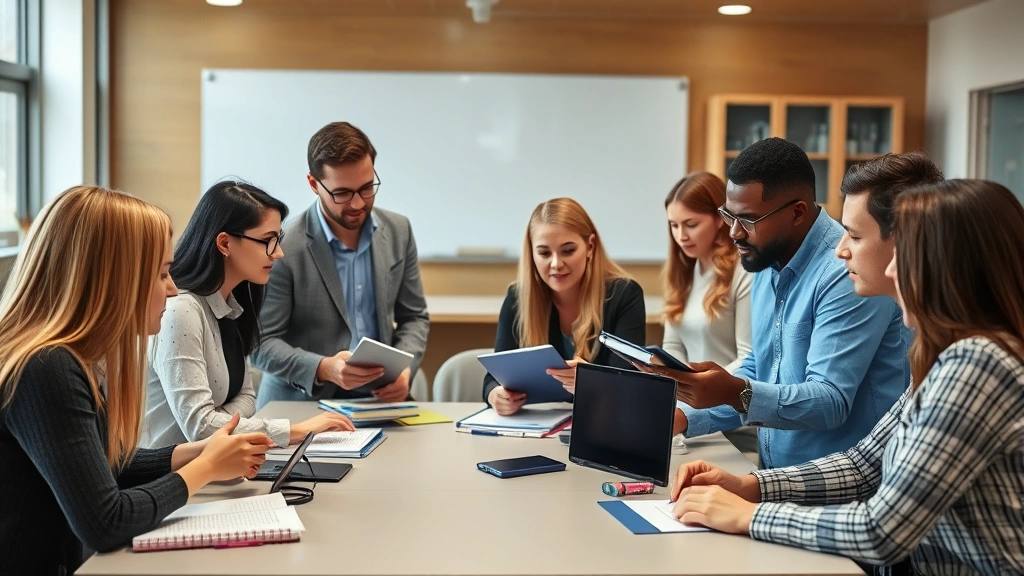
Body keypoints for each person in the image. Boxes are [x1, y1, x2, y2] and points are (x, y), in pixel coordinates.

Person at [664, 179, 1024, 576]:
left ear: (949, 267)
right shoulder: (945, 358)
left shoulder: (976, 365)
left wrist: (749, 516)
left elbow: (881, 530)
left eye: (903, 256)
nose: (890, 269)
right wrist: (750, 486)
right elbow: (862, 465)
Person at [0, 186, 271, 574]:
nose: (173, 288)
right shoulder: (47, 367)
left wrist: (195, 452)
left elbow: (102, 467)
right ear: (112, 280)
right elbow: (106, 522)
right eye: (162, 273)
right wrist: (206, 468)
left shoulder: (74, 359)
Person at [637, 137, 909, 468]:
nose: (734, 233)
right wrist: (682, 417)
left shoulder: (847, 273)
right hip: (775, 474)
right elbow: (764, 368)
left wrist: (733, 391)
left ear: (797, 213)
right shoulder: (765, 256)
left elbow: (830, 401)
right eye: (729, 215)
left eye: (748, 219)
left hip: (838, 484)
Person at [142, 181, 354, 449]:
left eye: (278, 240)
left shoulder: (233, 305)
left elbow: (247, 399)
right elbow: (200, 427)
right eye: (268, 241)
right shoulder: (181, 311)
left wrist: (219, 420)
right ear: (225, 243)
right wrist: (295, 430)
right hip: (173, 479)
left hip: (216, 469)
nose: (278, 253)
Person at [253, 122, 430, 407]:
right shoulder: (284, 244)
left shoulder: (399, 230)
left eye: (367, 188)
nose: (358, 203)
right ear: (314, 184)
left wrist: (404, 368)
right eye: (343, 193)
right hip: (301, 404)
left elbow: (414, 317)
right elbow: (260, 343)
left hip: (378, 400)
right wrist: (324, 368)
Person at [483, 197, 646, 415]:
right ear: (531, 254)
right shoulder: (517, 297)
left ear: (590, 247)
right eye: (544, 253)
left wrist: (592, 381)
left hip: (602, 422)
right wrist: (496, 395)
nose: (556, 264)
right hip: (536, 427)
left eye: (568, 250)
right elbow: (494, 378)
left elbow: (630, 382)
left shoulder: (624, 295)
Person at [661, 171, 754, 457]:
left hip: (734, 423)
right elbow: (671, 349)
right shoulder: (683, 273)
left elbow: (750, 359)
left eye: (691, 224)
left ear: (719, 219)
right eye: (673, 225)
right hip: (688, 415)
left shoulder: (743, 272)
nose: (681, 236)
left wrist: (695, 395)